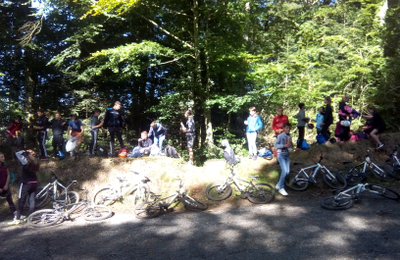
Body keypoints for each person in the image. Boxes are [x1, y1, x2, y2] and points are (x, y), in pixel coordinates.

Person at [10, 149, 39, 225]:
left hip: (26, 183)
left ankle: (18, 218)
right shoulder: (35, 162)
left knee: (21, 200)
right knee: (32, 200)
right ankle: (31, 216)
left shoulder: (26, 161)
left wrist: (24, 151)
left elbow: (17, 153)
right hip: (34, 183)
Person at [274, 123, 293, 196]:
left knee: (287, 171)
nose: (288, 129)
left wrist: (291, 146)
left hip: (287, 155)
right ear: (284, 128)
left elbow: (290, 145)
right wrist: (284, 145)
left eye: (289, 128)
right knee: (284, 171)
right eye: (287, 128)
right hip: (281, 155)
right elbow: (275, 145)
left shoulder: (290, 136)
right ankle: (281, 188)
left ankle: (278, 184)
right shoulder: (280, 136)